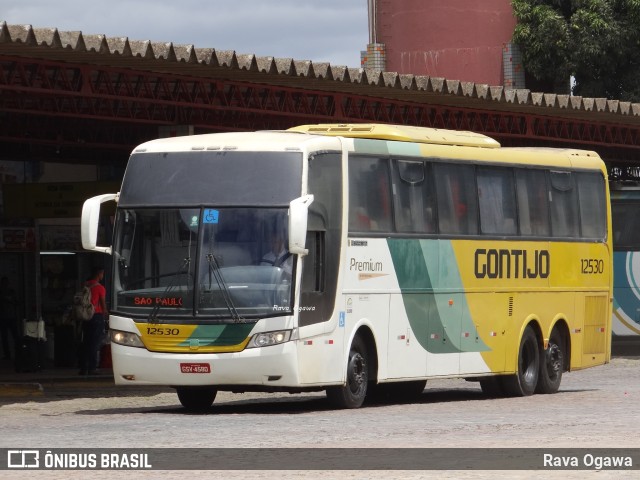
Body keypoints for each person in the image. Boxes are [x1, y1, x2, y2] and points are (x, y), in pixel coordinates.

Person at [79, 267, 108, 375]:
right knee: (94, 343)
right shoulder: (100, 288)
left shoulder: (85, 285)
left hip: (85, 317)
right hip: (96, 316)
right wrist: (106, 315)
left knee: (85, 342)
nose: (102, 276)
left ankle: (83, 368)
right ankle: (92, 367)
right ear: (99, 274)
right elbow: (103, 305)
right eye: (102, 274)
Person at [0, 276, 19, 360]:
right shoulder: (0, 292)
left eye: (6, 283)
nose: (5, 284)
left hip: (11, 317)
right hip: (4, 317)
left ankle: (18, 353)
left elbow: (17, 302)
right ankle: (8, 355)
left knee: (15, 336)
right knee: (5, 337)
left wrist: (10, 300)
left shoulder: (12, 292)